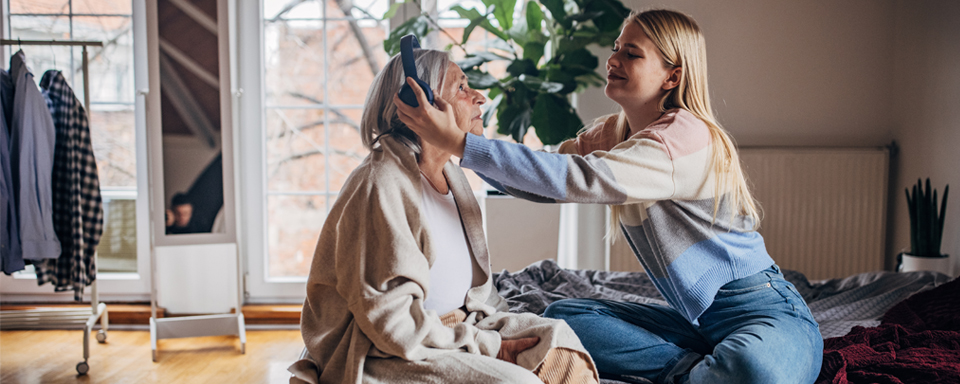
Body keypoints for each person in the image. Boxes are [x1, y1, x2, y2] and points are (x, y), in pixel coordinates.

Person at [394, 9, 823, 384]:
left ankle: (703, 369)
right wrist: (465, 142)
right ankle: (693, 370)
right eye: (617, 48)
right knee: (563, 317)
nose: (613, 60)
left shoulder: (685, 137)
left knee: (756, 372)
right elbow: (542, 180)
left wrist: (462, 145)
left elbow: (578, 178)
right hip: (696, 323)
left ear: (673, 75)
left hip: (760, 309)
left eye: (631, 54)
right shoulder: (614, 133)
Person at [291, 46, 599, 384]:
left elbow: (479, 290)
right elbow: (392, 325)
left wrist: (493, 334)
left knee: (563, 348)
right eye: (462, 88)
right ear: (417, 103)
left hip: (460, 328)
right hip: (391, 347)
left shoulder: (453, 176)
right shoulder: (381, 184)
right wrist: (493, 349)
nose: (480, 97)